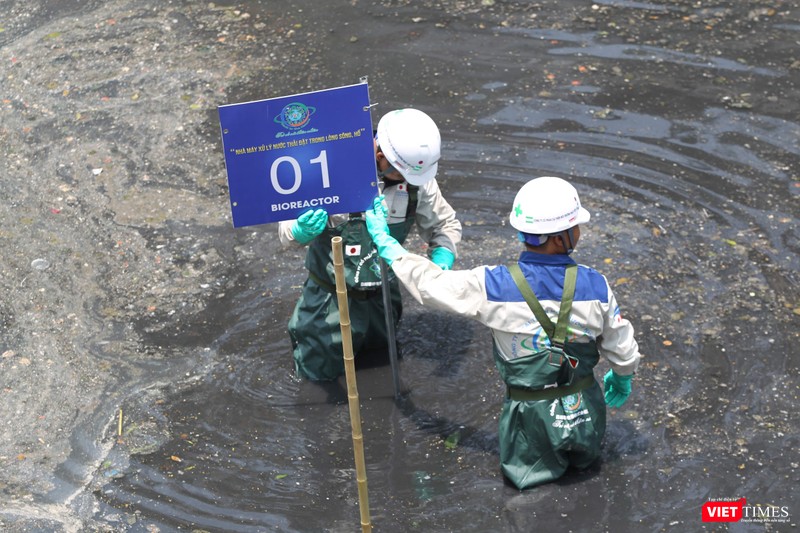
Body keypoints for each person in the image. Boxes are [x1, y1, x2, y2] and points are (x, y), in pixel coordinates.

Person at [365, 176, 641, 489]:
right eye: (576, 226)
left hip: (529, 419)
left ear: (524, 232)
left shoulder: (493, 285)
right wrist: (623, 375)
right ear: (562, 236)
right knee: (589, 479)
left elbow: (430, 286)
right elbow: (622, 345)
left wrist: (392, 249)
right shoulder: (597, 286)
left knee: (527, 492)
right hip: (584, 412)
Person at [278, 108, 462, 381]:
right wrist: (299, 230)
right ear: (380, 157)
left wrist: (443, 255)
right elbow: (285, 233)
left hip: (383, 298)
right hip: (329, 301)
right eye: (404, 175)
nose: (412, 182)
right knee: (317, 378)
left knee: (382, 370)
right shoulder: (327, 168)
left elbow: (443, 224)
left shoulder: (418, 178)